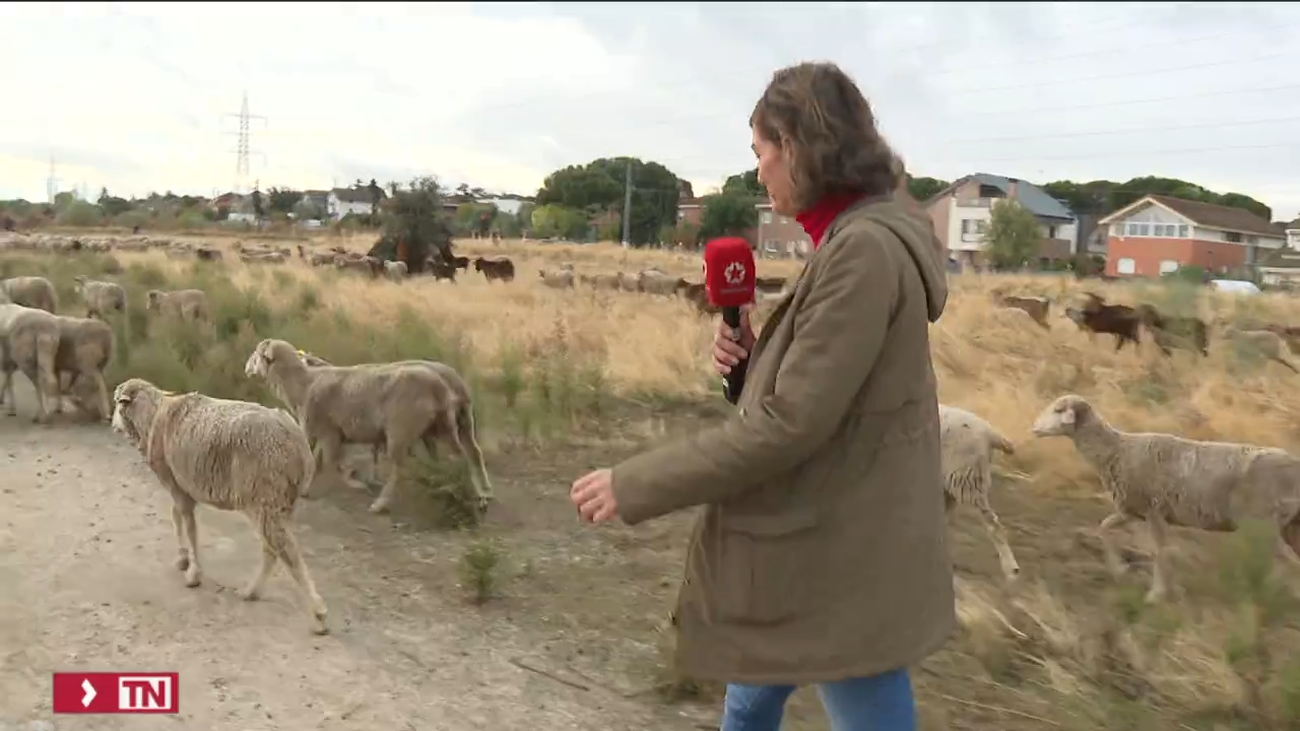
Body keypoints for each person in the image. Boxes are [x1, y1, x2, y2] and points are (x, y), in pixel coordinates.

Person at [570, 61, 955, 731]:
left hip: (841, 541)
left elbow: (791, 424)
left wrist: (635, 484)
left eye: (761, 151)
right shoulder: (853, 236)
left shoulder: (861, 251)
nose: (758, 171)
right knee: (753, 691)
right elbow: (835, 391)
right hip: (824, 525)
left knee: (861, 693)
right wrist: (753, 366)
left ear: (801, 146)